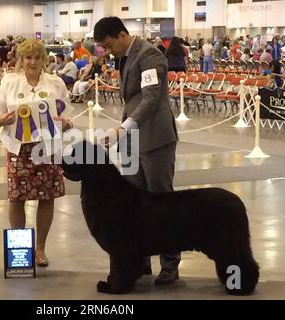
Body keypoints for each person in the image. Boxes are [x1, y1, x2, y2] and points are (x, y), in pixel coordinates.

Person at [94, 16, 180, 285]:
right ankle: (138, 259)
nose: (109, 51)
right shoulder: (125, 58)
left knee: (162, 202)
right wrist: (123, 130)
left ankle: (170, 264)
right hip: (132, 141)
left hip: (155, 139)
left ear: (122, 35)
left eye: (109, 45)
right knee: (132, 203)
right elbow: (131, 100)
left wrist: (123, 128)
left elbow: (151, 98)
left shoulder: (150, 54)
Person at [0, 39, 72, 267]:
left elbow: (67, 116)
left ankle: (41, 249)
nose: (33, 62)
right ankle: (20, 250)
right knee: (16, 198)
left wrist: (65, 124)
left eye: (37, 57)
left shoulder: (55, 83)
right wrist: (0, 120)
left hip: (47, 149)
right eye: (28, 58)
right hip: (18, 149)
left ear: (44, 59)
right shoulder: (9, 83)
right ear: (21, 60)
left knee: (47, 197)